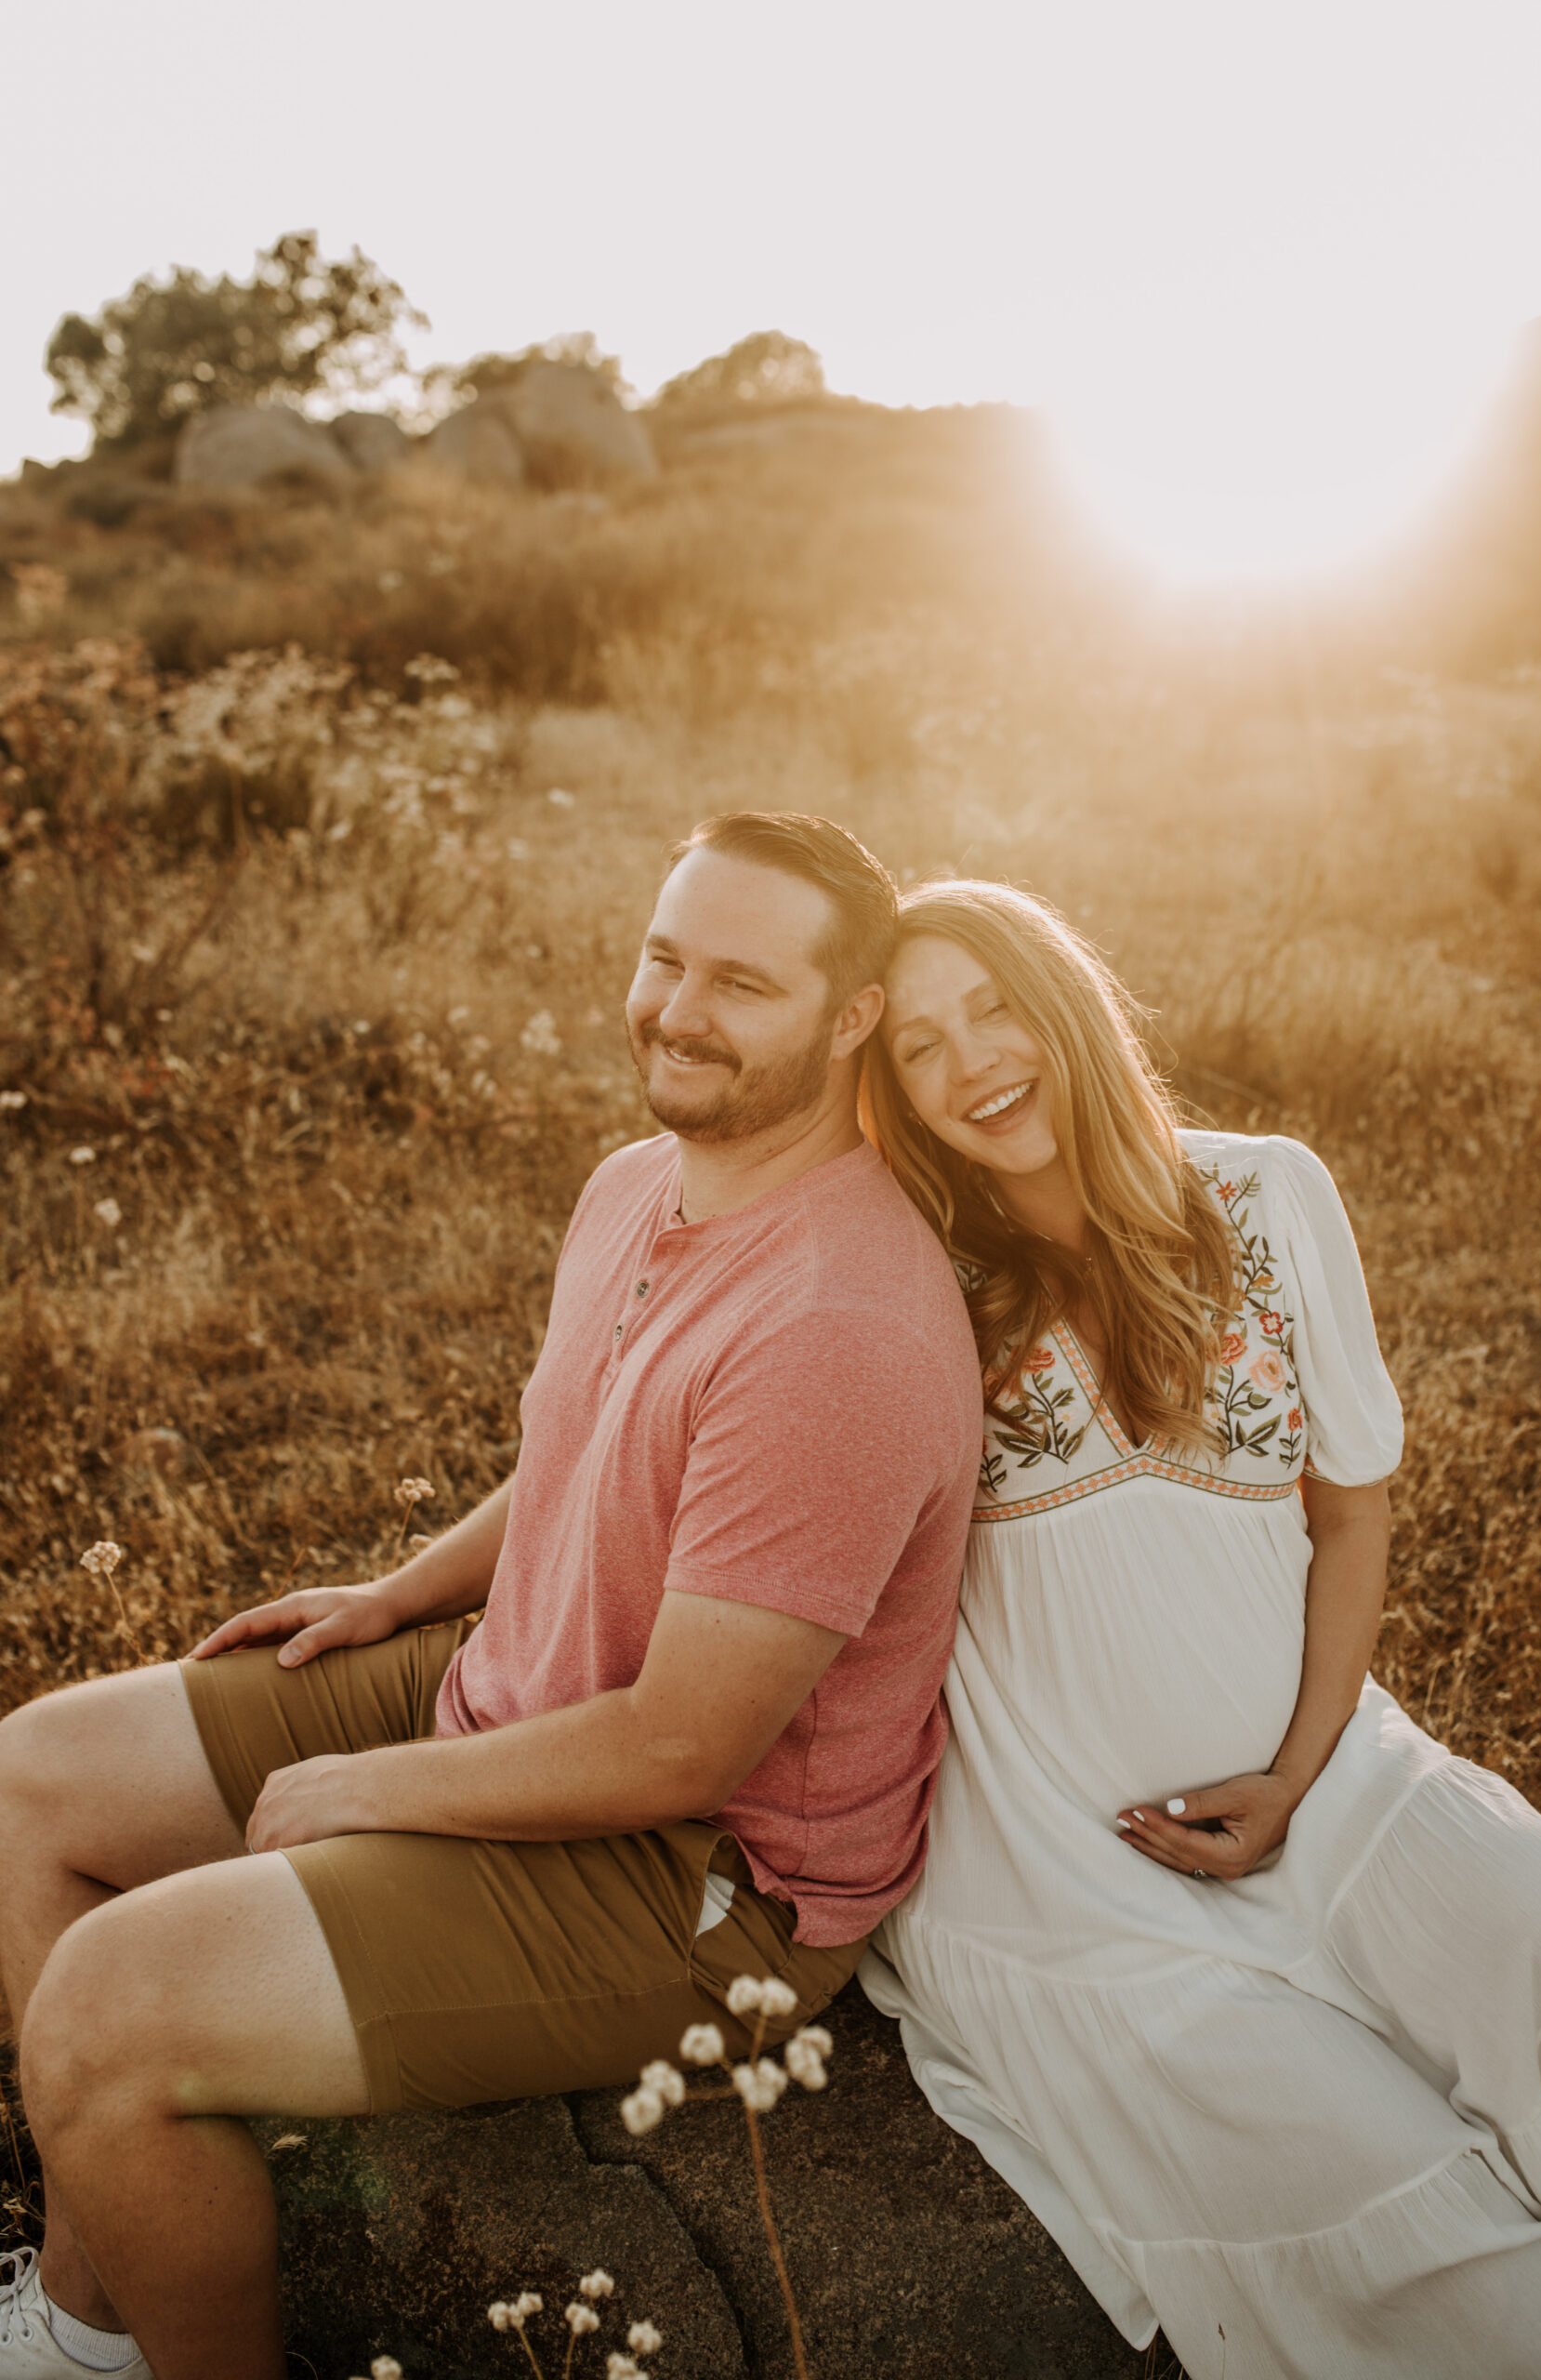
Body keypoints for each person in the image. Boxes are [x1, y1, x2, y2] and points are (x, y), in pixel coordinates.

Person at [0, 813, 984, 2380]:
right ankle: (84, 2325)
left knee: (108, 2008)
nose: (677, 1008)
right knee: (31, 1780)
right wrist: (407, 1591)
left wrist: (365, 1790)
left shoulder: (838, 1326)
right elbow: (595, 1446)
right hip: (511, 1689)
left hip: (696, 1879)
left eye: (742, 981)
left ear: (852, 1015)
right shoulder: (639, 1184)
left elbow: (680, 1752)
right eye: (666, 956)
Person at [858, 877, 1541, 2380]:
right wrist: (419, 1588)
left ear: (1064, 1002)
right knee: (1424, 2238)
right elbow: (668, 1423)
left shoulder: (1265, 1191)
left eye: (995, 1005)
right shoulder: (911, 1269)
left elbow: (1351, 1515)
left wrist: (1302, 1776)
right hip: (1076, 1872)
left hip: (1335, 1785)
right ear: (894, 1096)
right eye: (920, 1045)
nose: (972, 1060)